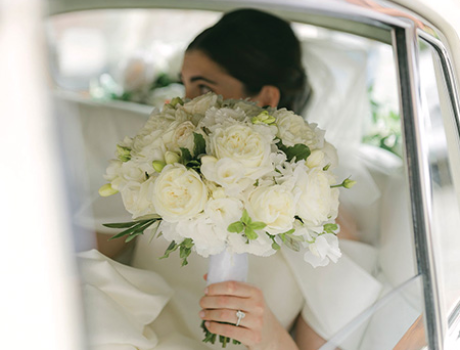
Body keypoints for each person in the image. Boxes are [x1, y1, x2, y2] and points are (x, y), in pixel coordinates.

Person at [88, 8, 383, 350]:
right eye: (183, 85)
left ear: (265, 98)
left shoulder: (321, 221)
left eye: (202, 87)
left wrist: (268, 334)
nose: (185, 104)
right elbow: (96, 251)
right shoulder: (166, 166)